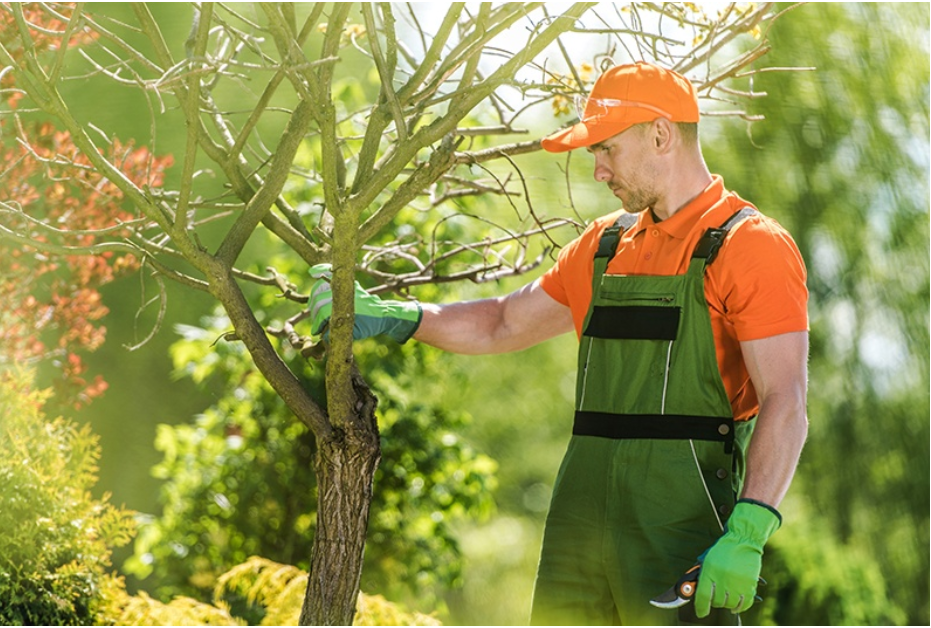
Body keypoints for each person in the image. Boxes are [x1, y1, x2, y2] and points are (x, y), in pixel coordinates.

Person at [306, 61, 809, 626]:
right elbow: (502, 322)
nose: (597, 171)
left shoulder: (750, 247)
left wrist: (750, 529)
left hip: (678, 533)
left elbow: (785, 399)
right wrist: (399, 315)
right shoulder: (604, 245)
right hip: (577, 532)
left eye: (607, 150)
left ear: (662, 135)